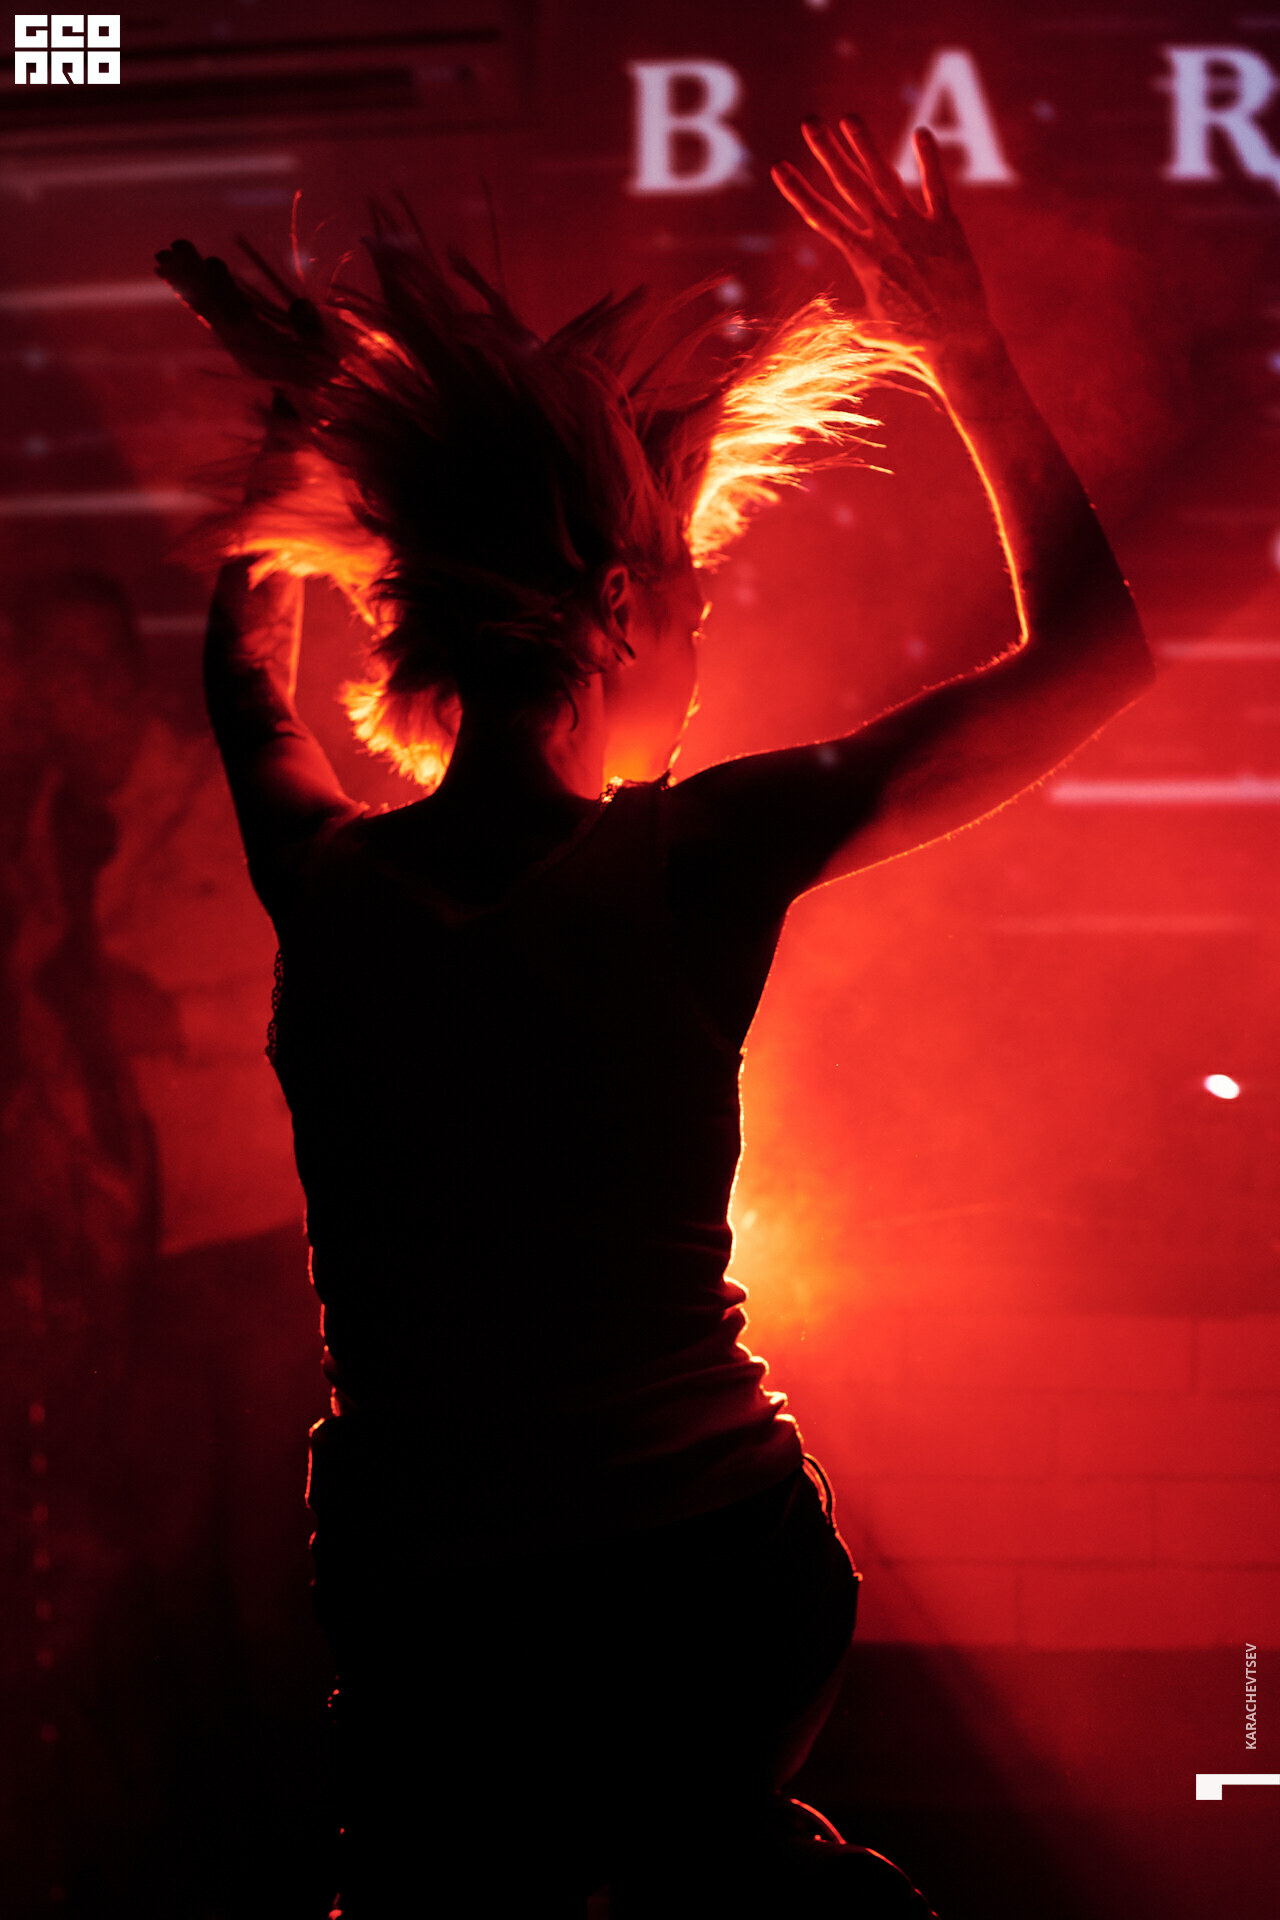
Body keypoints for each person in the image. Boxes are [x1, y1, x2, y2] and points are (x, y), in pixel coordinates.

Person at [157, 117, 1151, 1918]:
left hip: (431, 1610)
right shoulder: (689, 864)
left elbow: (243, 684)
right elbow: (1092, 661)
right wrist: (963, 353)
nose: (701, 643)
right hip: (697, 1586)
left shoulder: (330, 883)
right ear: (617, 610)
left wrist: (308, 433)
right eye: (695, 602)